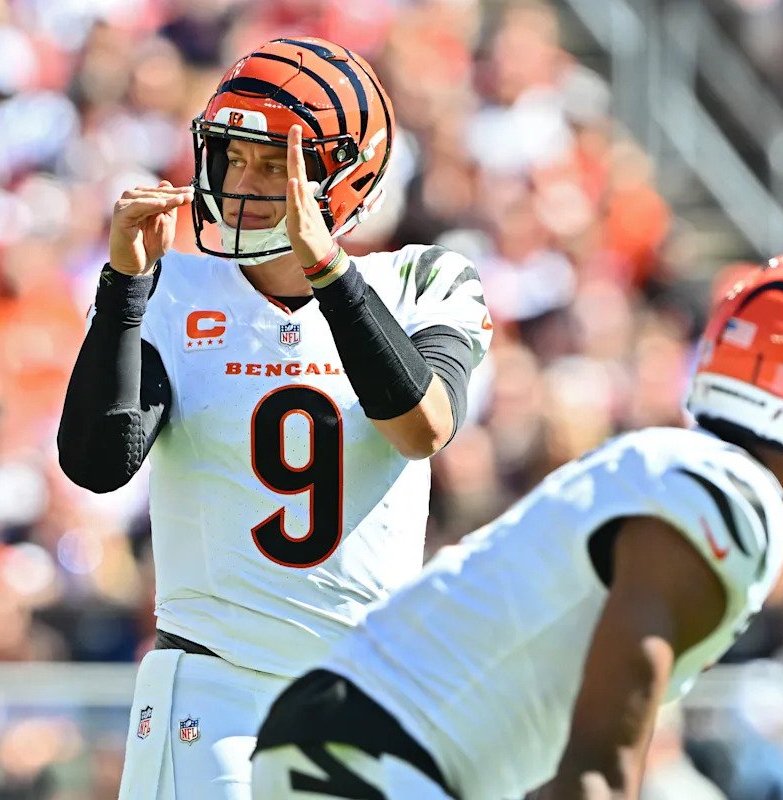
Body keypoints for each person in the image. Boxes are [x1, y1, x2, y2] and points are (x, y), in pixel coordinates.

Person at [250, 250, 783, 799]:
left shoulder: (674, 466)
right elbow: (597, 771)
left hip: (356, 741)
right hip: (373, 756)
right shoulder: (726, 497)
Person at [56, 37, 491, 800]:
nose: (244, 183)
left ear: (348, 177)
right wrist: (124, 289)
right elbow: (98, 463)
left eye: (274, 163)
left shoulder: (423, 280)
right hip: (213, 684)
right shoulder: (173, 288)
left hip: (365, 688)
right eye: (234, 158)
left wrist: (330, 276)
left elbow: (422, 428)